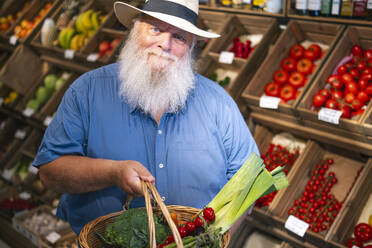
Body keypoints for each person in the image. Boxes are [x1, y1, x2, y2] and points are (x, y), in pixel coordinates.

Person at [33, 0, 259, 236]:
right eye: (155, 29)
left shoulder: (218, 103)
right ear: (134, 29)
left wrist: (217, 238)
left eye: (180, 37)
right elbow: (51, 174)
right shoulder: (87, 92)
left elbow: (249, 181)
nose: (165, 44)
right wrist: (113, 172)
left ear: (191, 46)